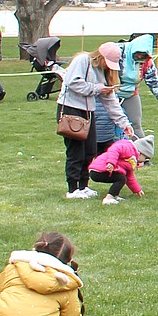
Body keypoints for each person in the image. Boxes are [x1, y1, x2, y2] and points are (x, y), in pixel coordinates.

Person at [58, 42, 134, 199]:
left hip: (88, 112)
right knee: (76, 151)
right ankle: (72, 189)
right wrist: (97, 88)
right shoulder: (82, 60)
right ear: (100, 57)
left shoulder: (103, 72)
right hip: (71, 109)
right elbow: (73, 83)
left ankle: (83, 185)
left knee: (90, 151)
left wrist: (124, 123)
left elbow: (110, 101)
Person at [115, 35, 158, 139]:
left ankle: (141, 153)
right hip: (110, 94)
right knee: (109, 125)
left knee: (135, 124)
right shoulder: (118, 53)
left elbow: (155, 83)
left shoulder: (147, 63)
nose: (140, 58)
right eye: (138, 55)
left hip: (130, 94)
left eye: (144, 56)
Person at [88, 138, 145, 205]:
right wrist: (111, 163)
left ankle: (115, 195)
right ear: (140, 153)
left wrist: (137, 190)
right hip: (98, 170)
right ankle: (109, 198)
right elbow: (114, 149)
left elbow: (130, 177)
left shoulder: (131, 161)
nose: (144, 161)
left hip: (102, 170)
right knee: (121, 178)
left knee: (122, 177)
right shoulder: (129, 150)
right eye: (146, 157)